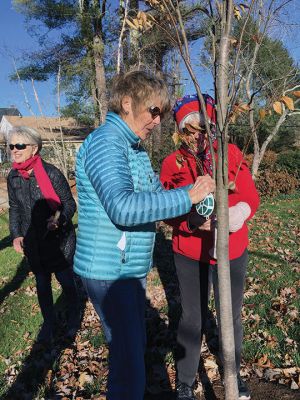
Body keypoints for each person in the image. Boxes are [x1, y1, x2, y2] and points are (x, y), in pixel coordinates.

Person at [74, 70, 215, 400]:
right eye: (154, 111)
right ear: (127, 102)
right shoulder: (107, 144)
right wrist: (188, 196)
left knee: (130, 354)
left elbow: (155, 196)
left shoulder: (132, 149)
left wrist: (193, 215)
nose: (157, 121)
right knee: (129, 370)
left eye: (162, 114)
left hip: (126, 271)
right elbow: (122, 207)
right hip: (109, 271)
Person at [160, 94, 260, 400]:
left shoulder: (229, 153)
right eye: (189, 131)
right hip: (190, 252)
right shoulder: (172, 163)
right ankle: (186, 383)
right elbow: (165, 208)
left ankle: (233, 376)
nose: (197, 138)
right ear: (180, 132)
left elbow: (251, 196)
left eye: (203, 130)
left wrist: (240, 213)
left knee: (231, 316)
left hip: (232, 249)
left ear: (212, 127)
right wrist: (190, 222)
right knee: (192, 317)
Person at [7, 127, 79, 344]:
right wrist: (16, 234)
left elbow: (69, 204)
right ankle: (49, 323)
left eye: (20, 145)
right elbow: (14, 208)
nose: (15, 150)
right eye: (11, 146)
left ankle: (73, 318)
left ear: (34, 148)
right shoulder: (13, 177)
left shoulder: (52, 173)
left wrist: (59, 219)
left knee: (66, 282)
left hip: (59, 241)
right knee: (42, 284)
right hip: (34, 242)